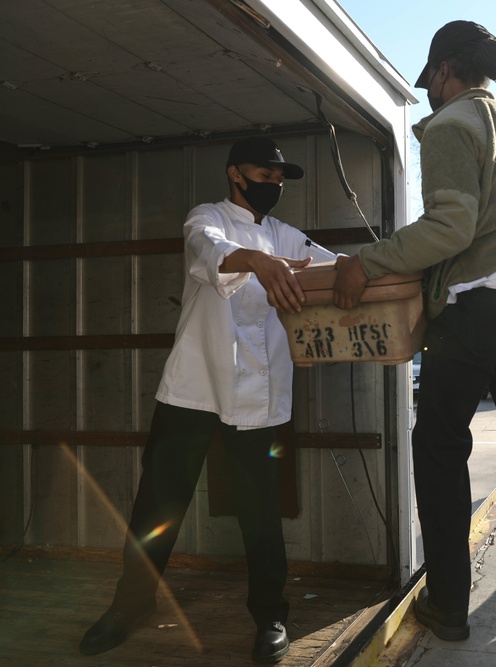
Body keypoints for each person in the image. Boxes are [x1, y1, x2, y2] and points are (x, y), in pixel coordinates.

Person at [331, 20, 496, 641]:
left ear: (446, 70)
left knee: (440, 446)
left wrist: (364, 262)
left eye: (431, 78)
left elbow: (451, 228)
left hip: (481, 302)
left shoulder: (453, 124)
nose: (431, 89)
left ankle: (449, 604)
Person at [79, 137, 340, 663]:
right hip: (193, 389)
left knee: (261, 512)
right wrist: (259, 263)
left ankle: (269, 616)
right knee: (159, 503)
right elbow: (208, 252)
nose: (274, 185)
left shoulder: (286, 235)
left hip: (257, 398)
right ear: (235, 175)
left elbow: (335, 266)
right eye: (264, 175)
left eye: (279, 178)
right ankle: (130, 606)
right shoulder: (208, 218)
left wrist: (370, 269)